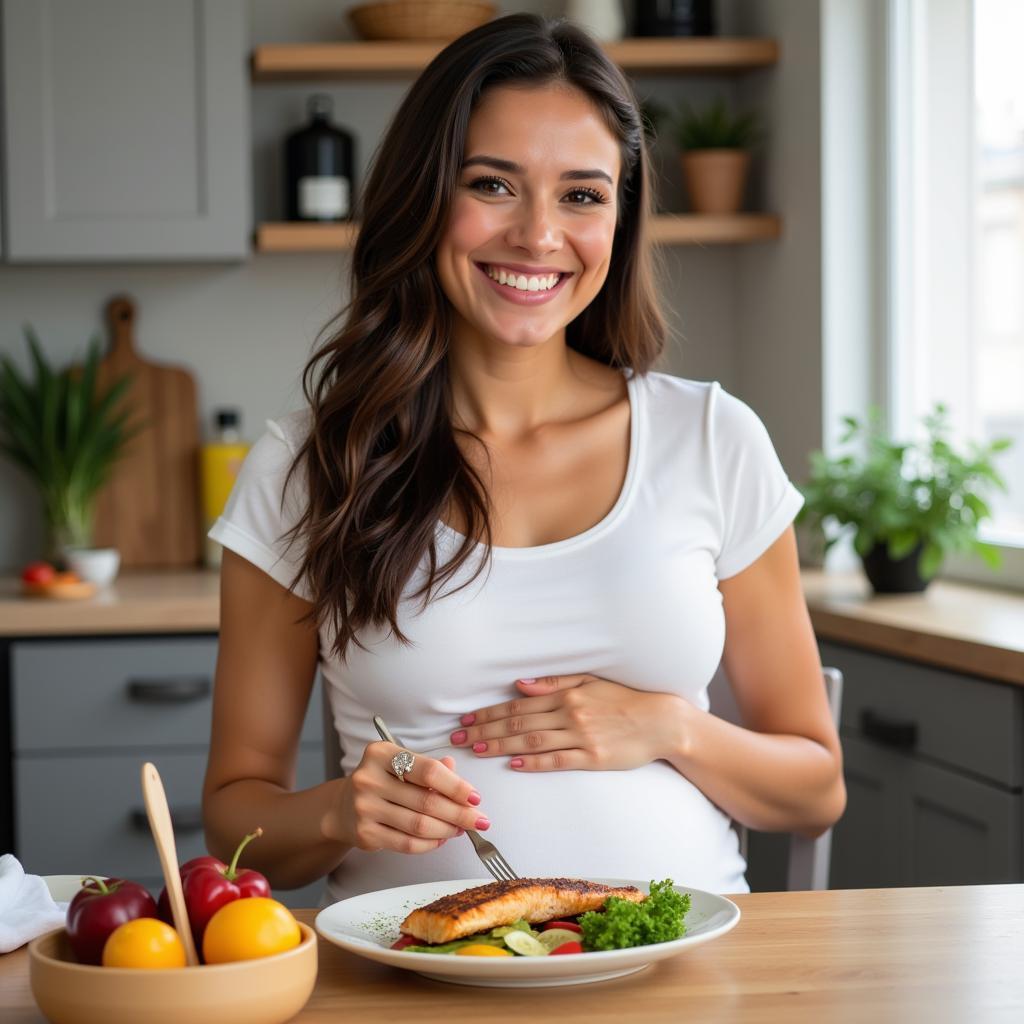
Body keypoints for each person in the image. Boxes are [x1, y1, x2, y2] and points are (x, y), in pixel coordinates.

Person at [203, 13, 845, 903]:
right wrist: (337, 815)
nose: (539, 236)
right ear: (423, 196)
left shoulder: (711, 439)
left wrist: (669, 729)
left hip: (680, 976)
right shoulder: (308, 466)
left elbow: (816, 788)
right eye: (493, 185)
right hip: (416, 979)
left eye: (582, 195)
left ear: (619, 220)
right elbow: (235, 817)